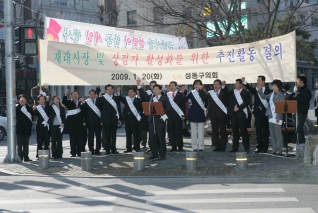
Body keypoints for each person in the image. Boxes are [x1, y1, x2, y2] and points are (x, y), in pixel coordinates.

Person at [140, 83, 171, 160]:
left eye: (157, 89)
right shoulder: (151, 98)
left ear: (160, 90)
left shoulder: (164, 98)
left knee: (161, 137)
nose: (155, 91)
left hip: (160, 120)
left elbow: (169, 107)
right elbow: (143, 96)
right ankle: (154, 153)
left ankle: (162, 154)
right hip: (152, 120)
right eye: (154, 89)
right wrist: (140, 88)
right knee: (152, 137)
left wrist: (161, 111)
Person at [242, 76, 272, 153]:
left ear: (263, 81)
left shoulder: (268, 91)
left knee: (265, 131)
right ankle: (259, 146)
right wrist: (244, 82)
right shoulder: (255, 90)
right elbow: (250, 88)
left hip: (265, 113)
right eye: (257, 80)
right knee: (258, 131)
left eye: (259, 80)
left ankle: (265, 147)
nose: (257, 81)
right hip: (257, 113)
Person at [222, 79, 250, 153]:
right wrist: (224, 86)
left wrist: (239, 108)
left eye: (237, 83)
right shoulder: (233, 91)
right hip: (233, 114)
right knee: (234, 132)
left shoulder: (246, 92)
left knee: (244, 131)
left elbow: (246, 102)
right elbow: (226, 93)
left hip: (241, 114)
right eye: (235, 83)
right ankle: (235, 147)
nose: (236, 84)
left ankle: (246, 147)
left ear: (241, 85)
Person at [258, 80, 285, 155]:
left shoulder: (281, 95)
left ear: (278, 87)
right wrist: (259, 90)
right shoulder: (271, 94)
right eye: (272, 86)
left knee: (278, 134)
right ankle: (274, 148)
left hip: (277, 116)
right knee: (272, 134)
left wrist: (278, 117)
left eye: (274, 86)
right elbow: (263, 97)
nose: (272, 87)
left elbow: (281, 107)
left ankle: (279, 149)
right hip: (270, 116)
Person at [201, 79, 229, 152]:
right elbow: (204, 96)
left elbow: (228, 95)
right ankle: (217, 145)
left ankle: (223, 145)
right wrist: (201, 90)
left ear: (220, 85)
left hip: (222, 114)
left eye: (217, 84)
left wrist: (224, 87)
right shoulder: (211, 93)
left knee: (222, 131)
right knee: (215, 131)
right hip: (213, 114)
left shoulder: (223, 92)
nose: (215, 86)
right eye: (214, 84)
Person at [96, 84, 122, 155]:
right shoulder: (103, 97)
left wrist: (119, 118)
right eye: (108, 89)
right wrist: (99, 96)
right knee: (106, 135)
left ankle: (113, 148)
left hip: (114, 119)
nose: (110, 90)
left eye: (111, 89)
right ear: (106, 90)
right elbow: (97, 105)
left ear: (113, 89)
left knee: (113, 134)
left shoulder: (116, 97)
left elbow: (118, 108)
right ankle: (107, 149)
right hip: (105, 119)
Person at [183, 80, 207, 151]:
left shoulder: (203, 92)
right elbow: (184, 99)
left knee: (201, 131)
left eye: (198, 84)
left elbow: (206, 102)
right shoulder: (191, 92)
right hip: (193, 113)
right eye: (195, 84)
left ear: (201, 85)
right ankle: (194, 146)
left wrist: (204, 108)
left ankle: (201, 146)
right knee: (193, 131)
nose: (196, 85)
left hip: (200, 113)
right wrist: (183, 92)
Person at [289, 75, 312, 144]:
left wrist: (296, 97)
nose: (296, 81)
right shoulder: (298, 89)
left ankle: (301, 144)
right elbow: (290, 98)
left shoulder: (306, 90)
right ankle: (298, 143)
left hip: (302, 111)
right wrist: (293, 92)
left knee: (299, 128)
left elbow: (304, 100)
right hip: (295, 111)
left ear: (302, 81)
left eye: (298, 80)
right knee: (296, 129)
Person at [118, 88, 143, 153]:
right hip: (127, 120)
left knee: (136, 134)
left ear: (134, 92)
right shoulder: (126, 99)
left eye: (132, 91)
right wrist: (119, 91)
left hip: (135, 120)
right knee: (128, 134)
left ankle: (136, 147)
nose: (130, 93)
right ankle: (128, 148)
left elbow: (141, 109)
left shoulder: (138, 100)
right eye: (129, 92)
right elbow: (120, 98)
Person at [63, 90, 86, 157]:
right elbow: (64, 102)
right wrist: (65, 94)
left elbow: (84, 112)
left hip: (80, 124)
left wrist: (84, 121)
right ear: (71, 96)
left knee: (80, 140)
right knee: (72, 140)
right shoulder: (69, 102)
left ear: (78, 95)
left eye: (76, 94)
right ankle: (73, 152)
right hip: (71, 125)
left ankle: (80, 152)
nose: (75, 96)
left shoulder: (81, 102)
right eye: (73, 94)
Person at [80, 89, 102, 155]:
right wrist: (81, 103)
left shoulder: (99, 101)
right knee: (90, 136)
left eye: (93, 94)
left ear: (95, 94)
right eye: (90, 94)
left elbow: (102, 111)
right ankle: (91, 149)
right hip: (90, 122)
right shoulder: (86, 102)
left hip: (98, 122)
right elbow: (82, 111)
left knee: (98, 136)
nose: (92, 95)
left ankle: (97, 149)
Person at [138, 80, 158, 152]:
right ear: (150, 86)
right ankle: (144, 143)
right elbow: (144, 97)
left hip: (156, 115)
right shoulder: (147, 92)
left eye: (154, 85)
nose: (153, 87)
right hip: (146, 114)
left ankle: (152, 145)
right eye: (151, 85)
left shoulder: (159, 93)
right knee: (145, 129)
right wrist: (140, 88)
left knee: (152, 131)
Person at [167, 81, 185, 152]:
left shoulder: (180, 94)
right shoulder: (168, 94)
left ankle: (180, 147)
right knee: (171, 132)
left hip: (178, 115)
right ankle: (173, 146)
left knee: (179, 131)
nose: (171, 87)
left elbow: (183, 105)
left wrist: (183, 114)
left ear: (176, 86)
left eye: (172, 85)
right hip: (170, 116)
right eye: (170, 85)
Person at [16, 94, 33, 162]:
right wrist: (20, 106)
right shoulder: (17, 107)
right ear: (19, 100)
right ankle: (20, 157)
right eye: (21, 100)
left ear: (26, 100)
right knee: (19, 144)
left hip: (27, 129)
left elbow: (32, 116)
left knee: (26, 144)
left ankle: (26, 157)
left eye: (23, 100)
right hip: (19, 129)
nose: (22, 101)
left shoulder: (29, 107)